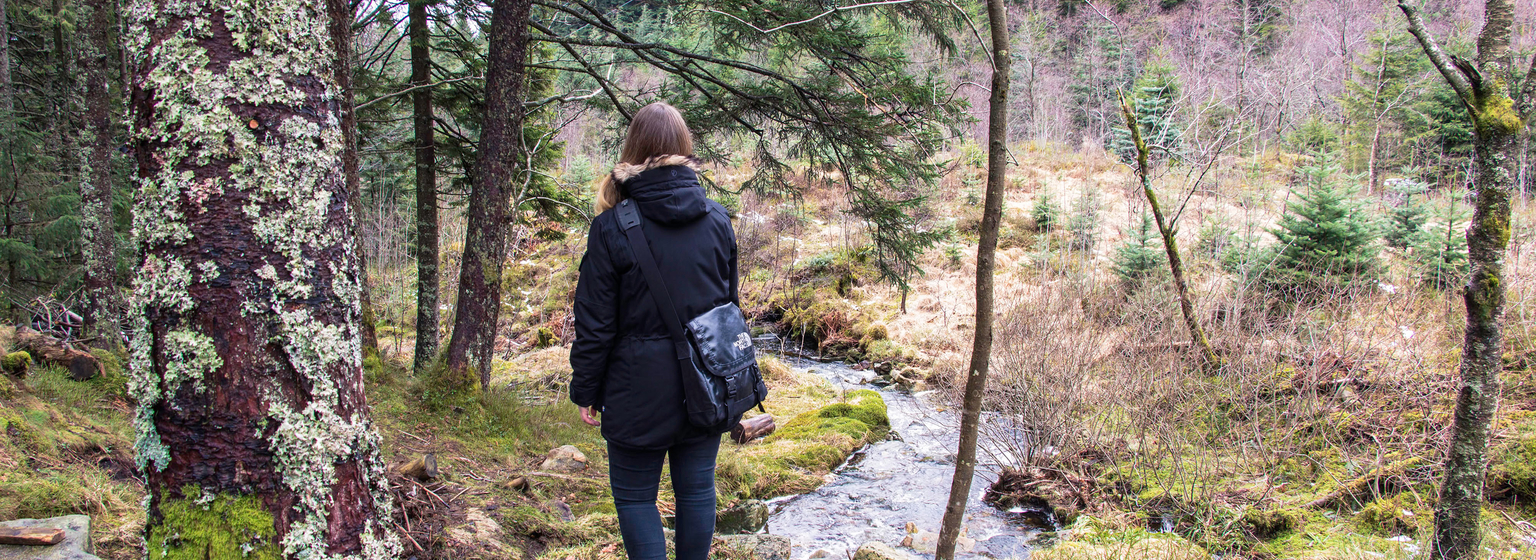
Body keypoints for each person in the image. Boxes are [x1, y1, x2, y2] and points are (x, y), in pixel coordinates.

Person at [569, 102, 739, 560]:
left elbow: (595, 322)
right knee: (697, 490)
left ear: (633, 149)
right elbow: (729, 311)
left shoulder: (610, 227)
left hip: (635, 388)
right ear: (684, 148)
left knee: (635, 498)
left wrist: (586, 389)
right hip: (706, 381)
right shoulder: (717, 219)